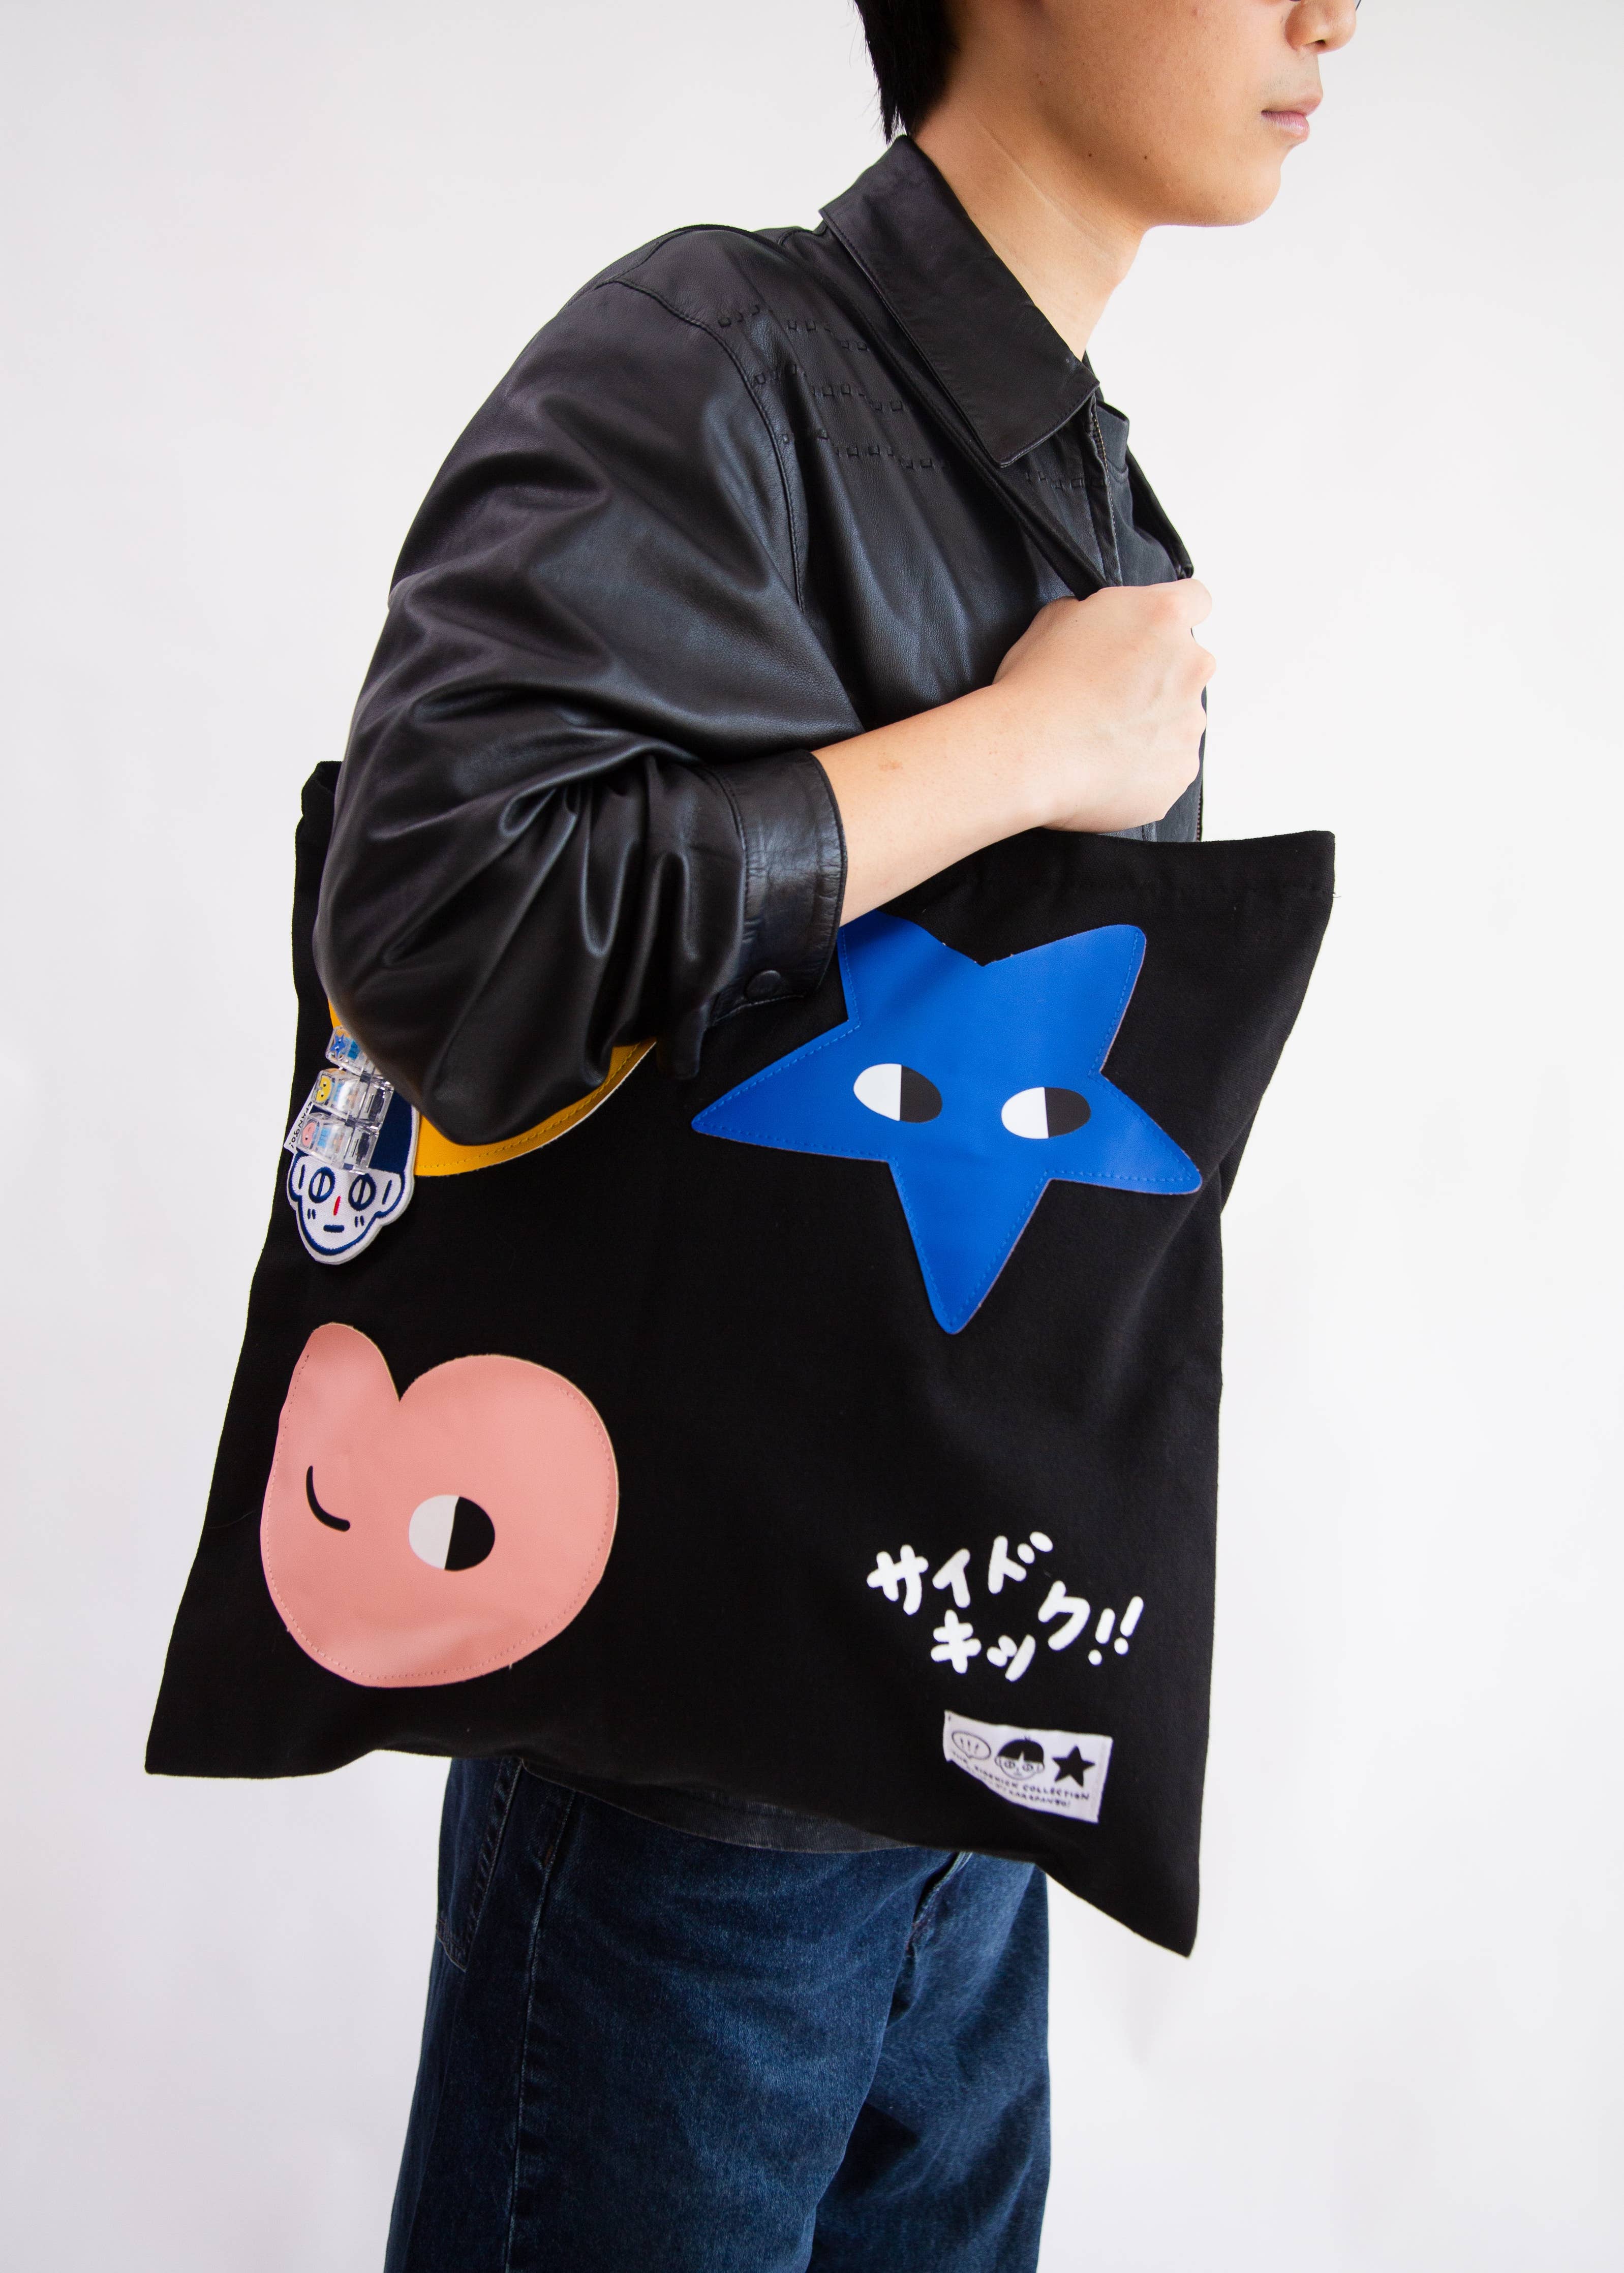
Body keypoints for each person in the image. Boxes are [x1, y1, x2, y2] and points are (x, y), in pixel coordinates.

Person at [318, 3, 1357, 2265]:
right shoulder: (715, 359)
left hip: (953, 1761)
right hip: (685, 1803)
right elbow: (433, 927)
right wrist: (1009, 754)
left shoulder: (1079, 484)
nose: (1333, 13)